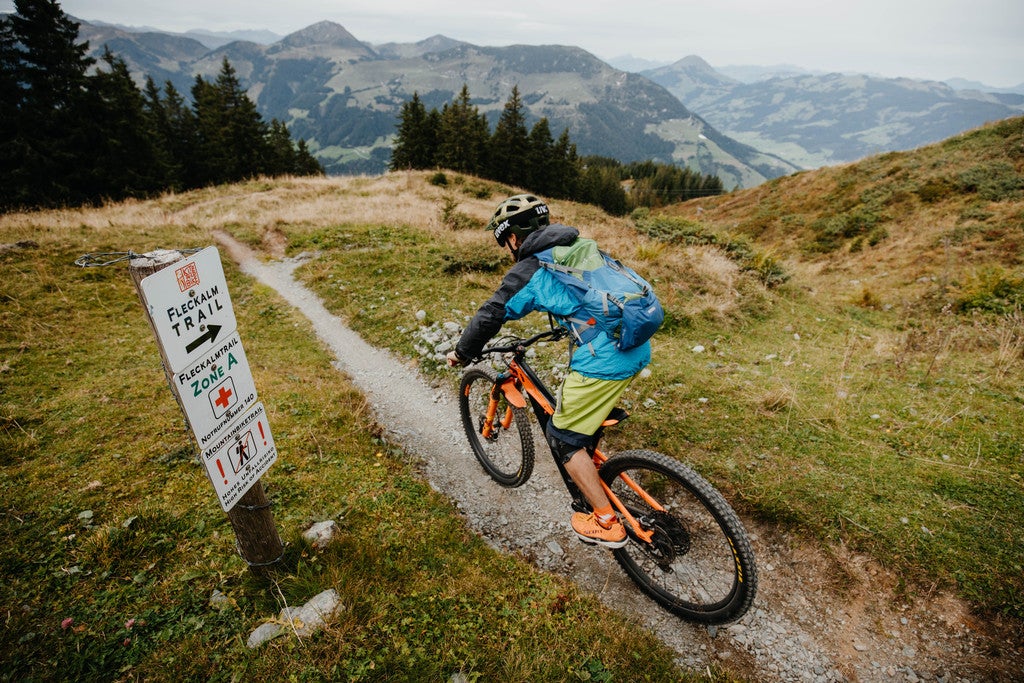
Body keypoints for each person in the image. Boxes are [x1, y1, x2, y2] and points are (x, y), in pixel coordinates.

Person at [447, 194, 651, 548]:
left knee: (563, 438)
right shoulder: (577, 246)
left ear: (513, 238)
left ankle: (606, 521)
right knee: (578, 422)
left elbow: (493, 313)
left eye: (505, 241)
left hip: (604, 359)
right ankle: (592, 470)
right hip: (634, 345)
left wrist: (463, 352)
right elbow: (590, 294)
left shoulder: (532, 267)